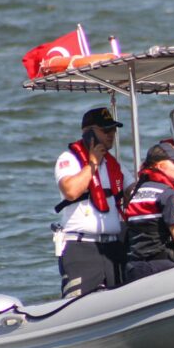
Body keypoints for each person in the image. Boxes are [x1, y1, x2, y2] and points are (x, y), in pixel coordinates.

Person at [53, 107, 127, 298]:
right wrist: (92, 164)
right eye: (106, 130)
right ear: (89, 132)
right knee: (78, 303)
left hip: (112, 248)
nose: (111, 134)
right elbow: (71, 191)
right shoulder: (69, 159)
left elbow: (133, 192)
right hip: (81, 248)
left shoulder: (114, 164)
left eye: (113, 130)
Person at [124, 142, 174, 282]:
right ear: (160, 166)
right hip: (161, 269)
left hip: (135, 268)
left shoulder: (138, 191)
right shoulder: (168, 194)